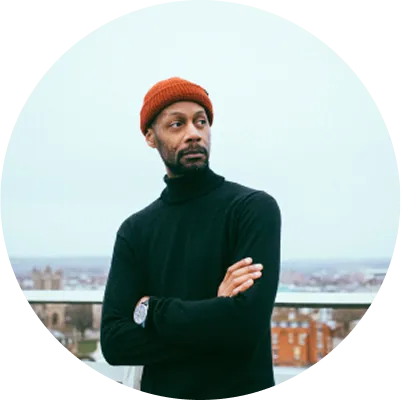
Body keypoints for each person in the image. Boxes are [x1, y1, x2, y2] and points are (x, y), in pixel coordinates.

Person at [100, 77, 282, 399]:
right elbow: (115, 343)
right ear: (150, 137)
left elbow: (246, 327)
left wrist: (153, 311)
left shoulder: (252, 209)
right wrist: (218, 316)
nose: (194, 133)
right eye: (177, 124)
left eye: (201, 122)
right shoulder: (135, 230)